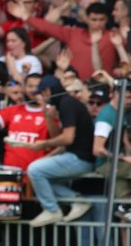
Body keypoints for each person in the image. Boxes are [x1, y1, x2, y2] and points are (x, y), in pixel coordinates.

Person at [23, 80, 97, 227]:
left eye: (42, 94)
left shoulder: (67, 104)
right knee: (40, 176)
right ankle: (77, 200)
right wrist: (48, 117)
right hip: (78, 157)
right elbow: (60, 137)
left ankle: (51, 210)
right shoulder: (64, 104)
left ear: (48, 91)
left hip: (80, 159)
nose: (42, 99)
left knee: (35, 170)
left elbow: (67, 138)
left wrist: (43, 144)